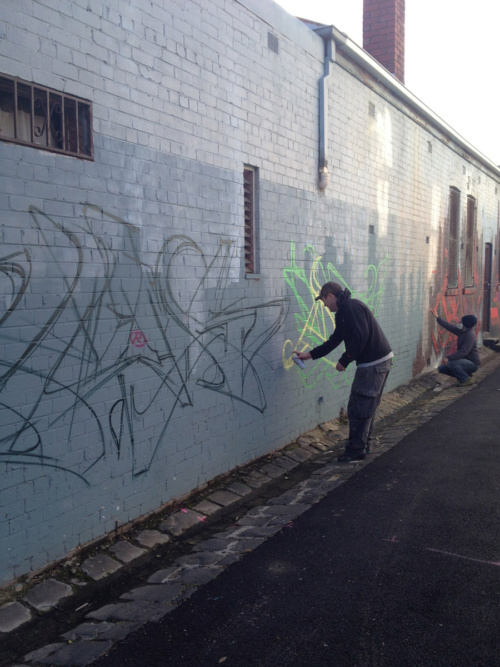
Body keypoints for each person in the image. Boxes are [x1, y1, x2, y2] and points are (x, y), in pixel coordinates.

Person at [294, 282, 393, 462]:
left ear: (330, 296)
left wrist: (345, 360)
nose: (324, 305)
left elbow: (360, 336)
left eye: (324, 300)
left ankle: (356, 451)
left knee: (358, 407)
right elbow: (335, 340)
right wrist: (310, 355)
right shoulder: (344, 312)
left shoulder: (350, 308)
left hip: (372, 364)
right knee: (366, 406)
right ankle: (363, 445)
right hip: (379, 361)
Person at [430, 310, 480, 386]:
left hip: (473, 363)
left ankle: (466, 380)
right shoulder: (461, 331)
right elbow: (449, 326)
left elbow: (464, 352)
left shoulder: (469, 335)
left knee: (450, 363)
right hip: (464, 361)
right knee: (442, 369)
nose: (460, 322)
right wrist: (437, 317)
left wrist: (448, 357)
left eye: (462, 322)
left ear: (465, 324)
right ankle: (466, 374)